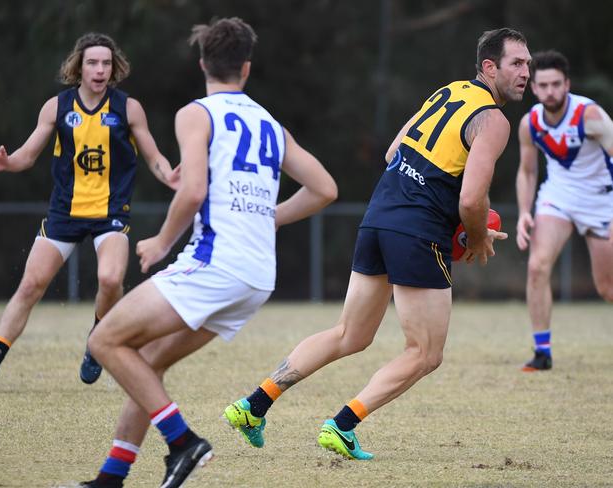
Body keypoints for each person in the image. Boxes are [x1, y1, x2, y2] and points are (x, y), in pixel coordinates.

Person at [224, 27, 530, 460]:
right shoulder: (494, 120)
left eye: (528, 64)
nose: (525, 72)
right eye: (517, 63)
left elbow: (392, 153)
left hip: (379, 217)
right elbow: (471, 199)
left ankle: (253, 406)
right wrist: (476, 237)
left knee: (350, 334)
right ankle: (342, 425)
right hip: (417, 230)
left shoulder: (449, 92)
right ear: (489, 67)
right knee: (425, 353)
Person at [79, 17, 337, 488]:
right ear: (246, 68)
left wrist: (160, 241)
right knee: (148, 360)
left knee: (104, 341)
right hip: (258, 277)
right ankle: (111, 477)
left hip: (217, 263)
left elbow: (193, 190)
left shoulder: (196, 113)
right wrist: (267, 217)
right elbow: (324, 188)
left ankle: (183, 443)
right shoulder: (270, 123)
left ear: (202, 64)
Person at [0, 33, 179, 392]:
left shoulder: (128, 108)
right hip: (65, 212)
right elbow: (28, 155)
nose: (99, 69)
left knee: (111, 279)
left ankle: (97, 341)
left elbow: (154, 156)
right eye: (92, 63)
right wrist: (8, 161)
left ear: (114, 69)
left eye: (106, 63)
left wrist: (168, 173)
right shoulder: (57, 107)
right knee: (31, 285)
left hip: (110, 212)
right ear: (79, 67)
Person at [515, 50, 613, 372]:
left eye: (557, 84)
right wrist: (524, 212)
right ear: (534, 88)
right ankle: (542, 352)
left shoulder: (591, 116)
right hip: (558, 197)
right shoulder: (530, 124)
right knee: (537, 267)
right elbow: (528, 172)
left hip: (601, 200)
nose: (550, 91)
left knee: (606, 288)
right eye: (543, 85)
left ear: (567, 84)